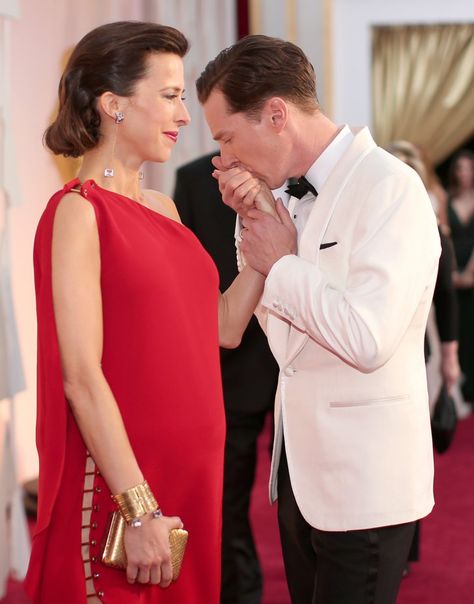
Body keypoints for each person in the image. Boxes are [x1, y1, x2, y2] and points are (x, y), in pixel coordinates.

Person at [24, 22, 272, 604]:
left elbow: (222, 328)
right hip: (125, 485)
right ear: (113, 104)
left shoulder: (163, 207)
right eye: (170, 96)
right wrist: (138, 507)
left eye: (181, 97)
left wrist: (264, 252)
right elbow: (81, 378)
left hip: (191, 475)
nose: (185, 116)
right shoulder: (77, 214)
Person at [196, 35, 441, 604]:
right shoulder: (281, 196)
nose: (224, 159)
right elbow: (282, 339)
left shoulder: (391, 188)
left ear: (277, 114)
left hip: (366, 480)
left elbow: (366, 338)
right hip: (298, 476)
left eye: (228, 137)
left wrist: (280, 262)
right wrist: (254, 221)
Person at [173, 152, 279, 604]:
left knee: (304, 507)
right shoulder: (193, 179)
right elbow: (188, 278)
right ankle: (241, 592)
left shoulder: (291, 172)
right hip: (232, 371)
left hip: (310, 368)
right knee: (229, 502)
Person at [386, 140, 460, 573]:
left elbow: (446, 301)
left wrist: (449, 360)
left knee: (409, 450)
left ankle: (405, 545)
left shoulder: (434, 233)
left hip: (418, 356)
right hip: (370, 354)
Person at [447, 150, 474, 402]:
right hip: (456, 275)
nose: (464, 173)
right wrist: (455, 273)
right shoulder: (448, 200)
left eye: (469, 168)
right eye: (460, 169)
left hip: (473, 271)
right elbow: (447, 239)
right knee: (461, 329)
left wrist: (470, 273)